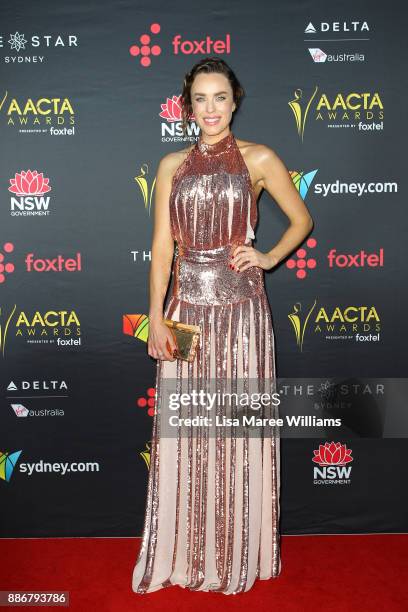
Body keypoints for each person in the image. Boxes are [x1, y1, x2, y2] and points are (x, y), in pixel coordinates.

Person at [132, 56, 313, 595]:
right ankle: (186, 551)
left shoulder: (259, 158)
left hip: (242, 319)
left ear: (235, 102)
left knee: (234, 430)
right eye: (200, 99)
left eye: (220, 98)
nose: (210, 109)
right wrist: (157, 319)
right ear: (188, 107)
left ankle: (235, 548)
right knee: (187, 432)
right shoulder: (170, 165)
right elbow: (163, 248)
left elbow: (301, 220)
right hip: (187, 312)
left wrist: (270, 256)